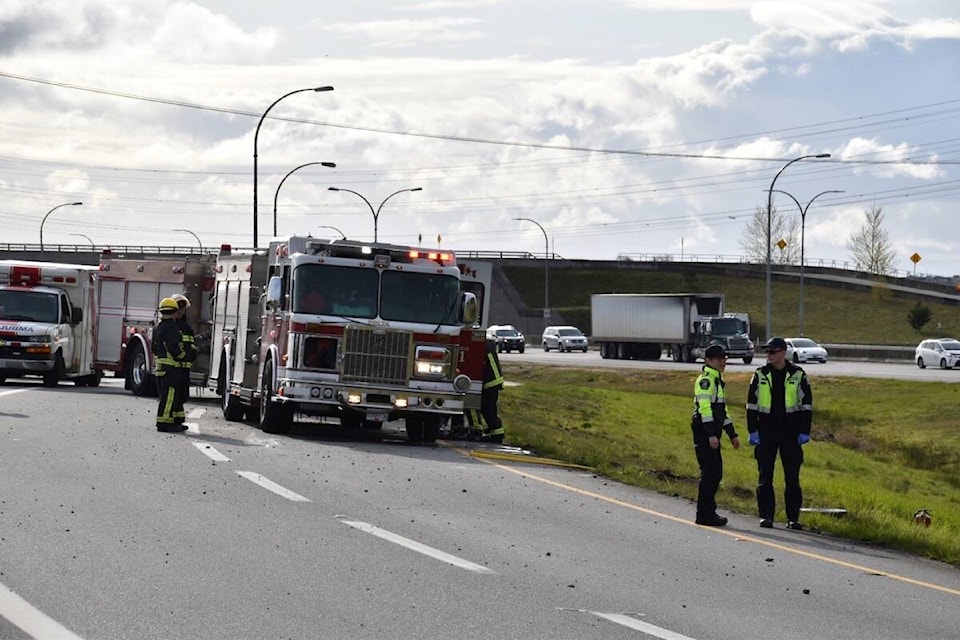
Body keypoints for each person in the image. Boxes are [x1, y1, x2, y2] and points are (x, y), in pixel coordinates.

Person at [746, 336, 814, 530]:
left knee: (792, 477)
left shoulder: (798, 374)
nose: (768, 355)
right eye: (766, 352)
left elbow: (807, 405)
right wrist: (752, 431)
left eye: (772, 352)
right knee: (765, 476)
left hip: (790, 432)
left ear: (783, 353)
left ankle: (793, 518)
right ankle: (766, 516)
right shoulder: (760, 374)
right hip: (766, 431)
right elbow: (751, 405)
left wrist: (804, 431)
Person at [691, 343, 740, 526]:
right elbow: (705, 409)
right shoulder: (706, 380)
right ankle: (704, 514)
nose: (723, 362)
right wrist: (711, 434)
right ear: (709, 360)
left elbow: (722, 412)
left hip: (712, 431)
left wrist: (732, 434)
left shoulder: (718, 381)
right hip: (704, 431)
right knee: (710, 473)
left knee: (715, 473)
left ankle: (708, 512)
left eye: (724, 358)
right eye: (719, 358)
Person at [153, 297, 194, 432]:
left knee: (171, 396)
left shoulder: (158, 327)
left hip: (162, 368)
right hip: (171, 369)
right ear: (174, 311)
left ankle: (175, 420)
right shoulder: (171, 328)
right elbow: (174, 347)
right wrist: (184, 356)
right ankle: (164, 423)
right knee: (169, 397)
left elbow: (154, 347)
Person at [477, 338, 505, 443]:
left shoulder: (484, 347)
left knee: (488, 410)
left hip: (490, 384)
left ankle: (497, 435)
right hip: (493, 383)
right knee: (489, 409)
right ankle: (494, 432)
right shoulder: (488, 345)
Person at [171, 293, 196, 401]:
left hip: (184, 371)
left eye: (182, 308)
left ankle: (178, 419)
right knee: (171, 399)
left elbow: (191, 347)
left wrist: (191, 355)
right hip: (171, 371)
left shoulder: (187, 328)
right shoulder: (168, 327)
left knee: (182, 399)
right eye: (178, 308)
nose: (180, 311)